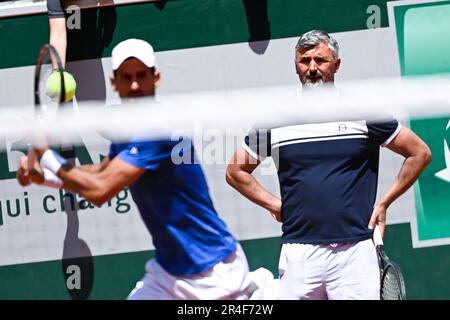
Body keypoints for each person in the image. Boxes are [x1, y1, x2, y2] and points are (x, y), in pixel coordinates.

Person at [17, 38, 251, 300]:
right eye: (127, 78)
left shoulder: (158, 127)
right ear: (114, 82)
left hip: (213, 274)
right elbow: (99, 174)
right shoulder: (130, 129)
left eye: (142, 75)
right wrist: (45, 177)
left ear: (156, 78)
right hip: (168, 273)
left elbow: (100, 191)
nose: (135, 85)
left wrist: (46, 153)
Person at [225, 30, 432, 300]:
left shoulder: (364, 112)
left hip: (355, 251)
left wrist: (384, 203)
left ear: (336, 65)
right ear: (296, 66)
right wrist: (274, 205)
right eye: (305, 60)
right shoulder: (275, 119)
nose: (312, 68)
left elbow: (419, 153)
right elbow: (235, 171)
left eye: (321, 61)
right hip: (299, 253)